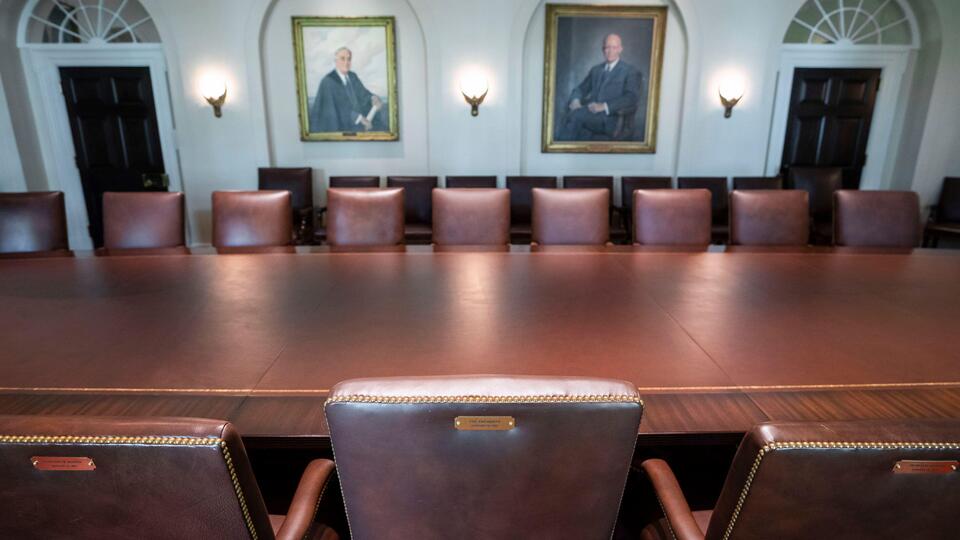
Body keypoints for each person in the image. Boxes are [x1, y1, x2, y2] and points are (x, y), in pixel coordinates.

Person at [556, 33, 641, 141]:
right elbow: (580, 89)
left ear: (620, 49)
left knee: (574, 116)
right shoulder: (596, 70)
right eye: (607, 47)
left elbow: (631, 98)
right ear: (603, 49)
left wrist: (604, 106)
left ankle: (561, 150)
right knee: (570, 114)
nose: (610, 51)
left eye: (614, 47)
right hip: (591, 114)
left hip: (612, 118)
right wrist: (576, 99)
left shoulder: (630, 71)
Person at [309, 47, 384, 132]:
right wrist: (358, 118)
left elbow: (363, 93)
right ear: (336, 61)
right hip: (340, 127)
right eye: (342, 59)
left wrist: (373, 98)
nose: (346, 62)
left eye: (349, 59)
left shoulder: (352, 76)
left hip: (358, 124)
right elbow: (336, 108)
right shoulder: (328, 81)